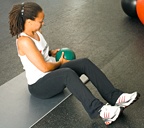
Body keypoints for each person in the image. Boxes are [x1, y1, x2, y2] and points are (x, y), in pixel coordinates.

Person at [9, 2, 140, 125]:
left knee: (84, 63)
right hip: (40, 85)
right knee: (67, 74)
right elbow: (44, 67)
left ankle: (116, 97)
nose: (43, 23)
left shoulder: (35, 31)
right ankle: (100, 111)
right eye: (40, 21)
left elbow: (40, 52)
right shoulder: (23, 41)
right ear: (29, 21)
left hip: (52, 74)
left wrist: (51, 53)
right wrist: (60, 62)